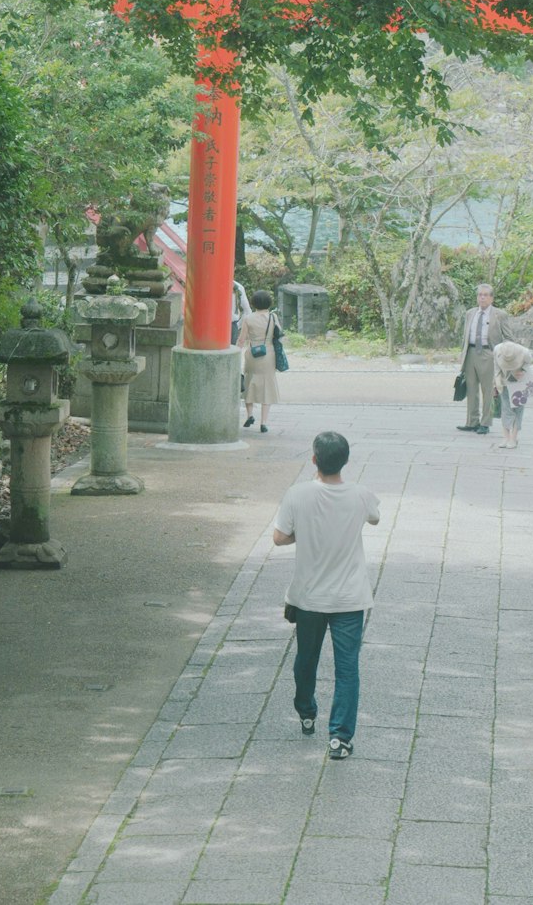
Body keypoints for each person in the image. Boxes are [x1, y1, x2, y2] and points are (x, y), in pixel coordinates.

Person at [273, 430, 380, 761]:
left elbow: (279, 538)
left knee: (306, 660)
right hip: (350, 598)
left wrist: (302, 535)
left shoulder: (297, 494)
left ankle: (306, 711)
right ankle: (340, 737)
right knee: (348, 668)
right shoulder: (361, 495)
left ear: (314, 459)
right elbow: (375, 518)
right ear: (345, 461)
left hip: (309, 598)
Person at [457, 283, 511, 435]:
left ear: (491, 298)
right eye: (480, 294)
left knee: (488, 390)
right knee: (471, 389)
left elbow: (509, 337)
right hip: (471, 353)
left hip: (488, 354)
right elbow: (465, 335)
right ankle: (472, 422)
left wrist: (502, 355)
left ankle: (485, 423)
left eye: (485, 295)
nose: (482, 297)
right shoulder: (470, 313)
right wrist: (462, 352)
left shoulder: (499, 315)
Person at [238, 289, 281, 432]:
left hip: (252, 354)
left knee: (249, 383)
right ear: (269, 303)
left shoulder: (248, 318)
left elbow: (242, 339)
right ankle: (263, 423)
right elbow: (279, 335)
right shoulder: (273, 317)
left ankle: (250, 415)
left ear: (253, 303)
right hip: (268, 353)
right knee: (267, 386)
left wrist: (236, 351)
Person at [493, 340, 533, 449]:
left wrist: (520, 370)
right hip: (503, 379)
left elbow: (528, 364)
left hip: (520, 380)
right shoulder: (497, 349)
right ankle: (506, 437)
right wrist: (495, 384)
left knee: (518, 409)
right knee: (505, 407)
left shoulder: (525, 352)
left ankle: (513, 437)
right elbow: (496, 368)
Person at [231, 278, 250, 346]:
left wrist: (238, 325)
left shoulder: (237, 287)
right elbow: (248, 311)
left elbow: (247, 311)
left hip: (232, 326)